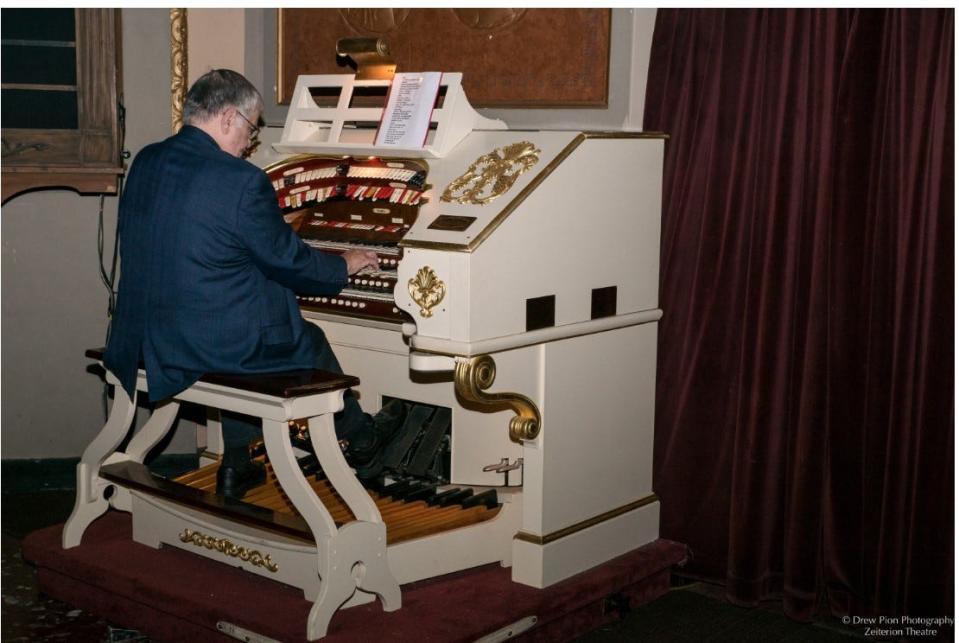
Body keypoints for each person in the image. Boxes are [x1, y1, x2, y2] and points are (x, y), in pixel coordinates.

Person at [104, 69, 404, 498]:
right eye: (251, 128)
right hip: (200, 342)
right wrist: (345, 263)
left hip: (143, 331)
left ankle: (238, 462)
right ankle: (363, 442)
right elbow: (289, 260)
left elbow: (195, 237)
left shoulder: (147, 160)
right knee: (304, 338)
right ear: (227, 117)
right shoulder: (241, 181)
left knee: (248, 316)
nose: (251, 143)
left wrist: (254, 236)